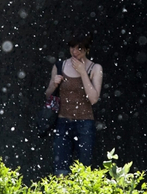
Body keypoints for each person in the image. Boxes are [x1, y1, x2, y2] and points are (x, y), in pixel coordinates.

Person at [43, 33, 103, 175]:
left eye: (79, 48)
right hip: (63, 122)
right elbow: (47, 95)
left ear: (87, 50)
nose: (75, 52)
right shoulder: (60, 65)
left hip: (85, 124)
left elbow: (94, 98)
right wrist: (53, 84)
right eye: (72, 48)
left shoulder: (95, 68)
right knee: (61, 169)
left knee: (84, 170)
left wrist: (83, 73)